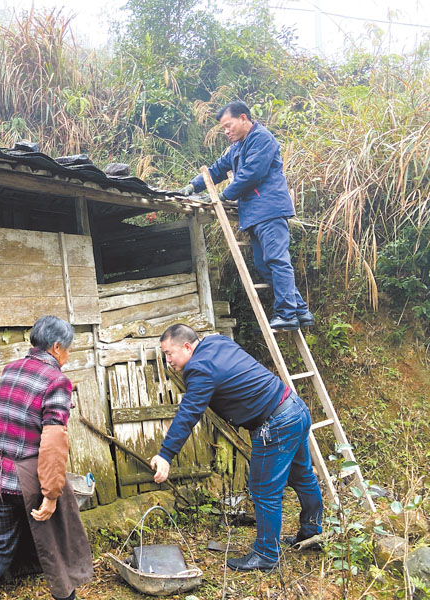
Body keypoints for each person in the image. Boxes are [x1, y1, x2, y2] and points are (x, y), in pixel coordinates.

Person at [150, 324, 323, 571]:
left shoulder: (199, 369)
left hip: (275, 424)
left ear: (187, 347)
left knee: (264, 491)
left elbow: (188, 413)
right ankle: (311, 534)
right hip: (294, 408)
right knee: (303, 476)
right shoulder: (217, 343)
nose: (168, 360)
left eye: (169, 353)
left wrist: (166, 454)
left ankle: (266, 556)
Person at [0, 315, 93, 600]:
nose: (68, 356)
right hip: (29, 482)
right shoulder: (57, 381)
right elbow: (53, 443)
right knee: (57, 551)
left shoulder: (10, 370)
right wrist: (51, 494)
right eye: (68, 349)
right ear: (56, 347)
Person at [179, 100, 313, 331]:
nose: (226, 131)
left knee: (277, 261)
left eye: (228, 125)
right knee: (264, 265)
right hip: (253, 215)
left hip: (269, 209)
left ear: (243, 118)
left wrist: (224, 196)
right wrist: (193, 186)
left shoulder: (262, 139)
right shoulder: (236, 148)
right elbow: (216, 169)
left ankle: (287, 313)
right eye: (223, 128)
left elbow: (252, 173)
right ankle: (300, 310)